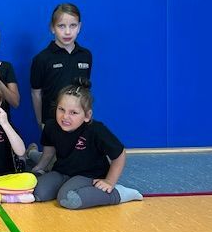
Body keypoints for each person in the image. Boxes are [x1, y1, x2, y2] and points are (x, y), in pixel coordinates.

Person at [32, 79, 143, 209]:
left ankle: (118, 193)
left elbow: (119, 154)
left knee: (68, 198)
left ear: (87, 115)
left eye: (73, 112)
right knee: (36, 193)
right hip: (62, 172)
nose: (65, 116)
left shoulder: (96, 130)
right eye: (61, 109)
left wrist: (109, 181)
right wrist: (38, 169)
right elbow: (48, 153)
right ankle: (67, 186)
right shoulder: (51, 126)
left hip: (89, 175)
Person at [30, 3, 92, 130]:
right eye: (61, 26)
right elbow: (36, 93)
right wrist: (41, 121)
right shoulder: (42, 59)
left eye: (73, 25)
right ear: (52, 28)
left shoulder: (86, 56)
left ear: (79, 27)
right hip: (52, 122)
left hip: (78, 121)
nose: (67, 32)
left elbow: (85, 91)